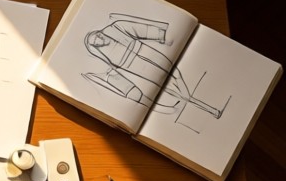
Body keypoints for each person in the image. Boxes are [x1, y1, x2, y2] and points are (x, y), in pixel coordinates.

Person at [82, 16, 226, 120]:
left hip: (146, 51)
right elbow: (112, 72)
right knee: (165, 86)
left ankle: (191, 99)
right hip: (137, 68)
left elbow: (139, 29)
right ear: (95, 47)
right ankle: (205, 107)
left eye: (98, 36)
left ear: (100, 32)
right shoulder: (102, 56)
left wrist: (160, 35)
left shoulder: (115, 27)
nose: (99, 40)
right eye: (96, 43)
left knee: (175, 73)